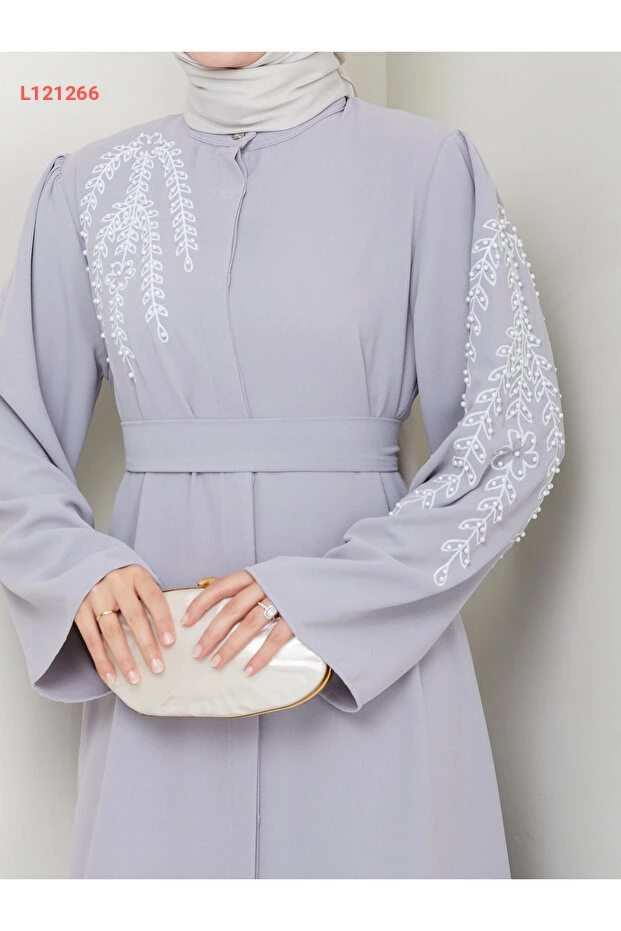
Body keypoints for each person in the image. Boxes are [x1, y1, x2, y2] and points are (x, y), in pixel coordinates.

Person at [0, 50, 565, 879]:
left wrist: (329, 597)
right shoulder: (88, 186)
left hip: (373, 664)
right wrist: (74, 567)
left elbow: (511, 433)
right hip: (164, 659)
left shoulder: (426, 167)